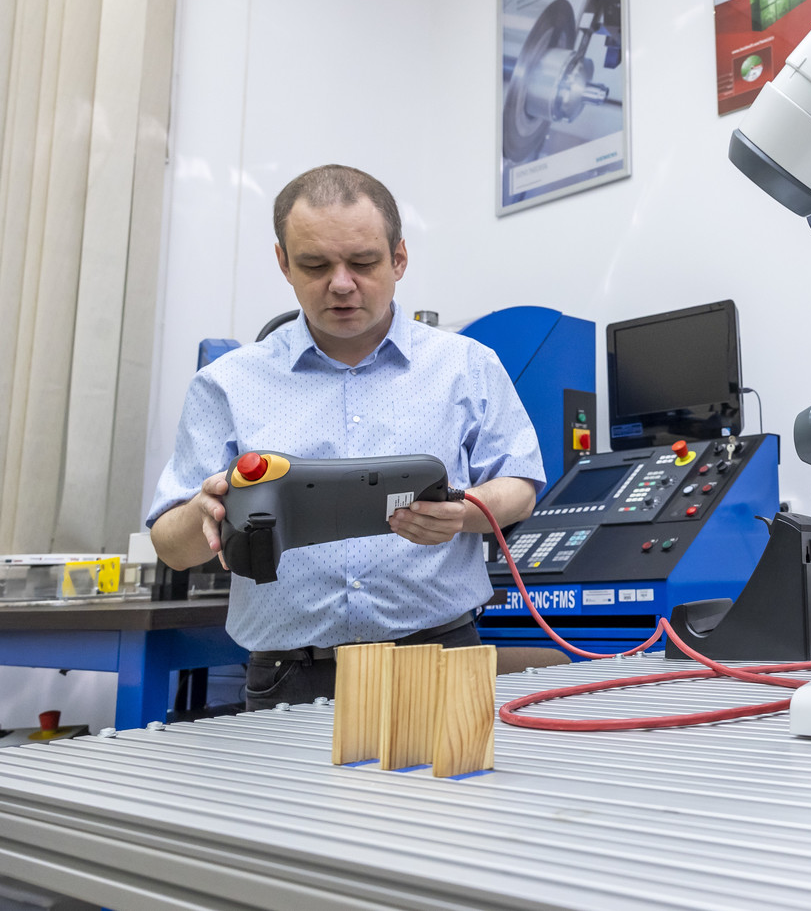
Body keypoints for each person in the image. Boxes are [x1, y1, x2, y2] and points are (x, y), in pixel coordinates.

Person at [147, 165, 543, 709]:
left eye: (363, 262)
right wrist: (205, 512)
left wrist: (463, 513)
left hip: (439, 661)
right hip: (290, 679)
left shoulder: (466, 366)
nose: (340, 284)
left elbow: (520, 486)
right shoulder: (227, 383)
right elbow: (170, 546)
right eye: (314, 265)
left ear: (398, 258)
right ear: (284, 263)